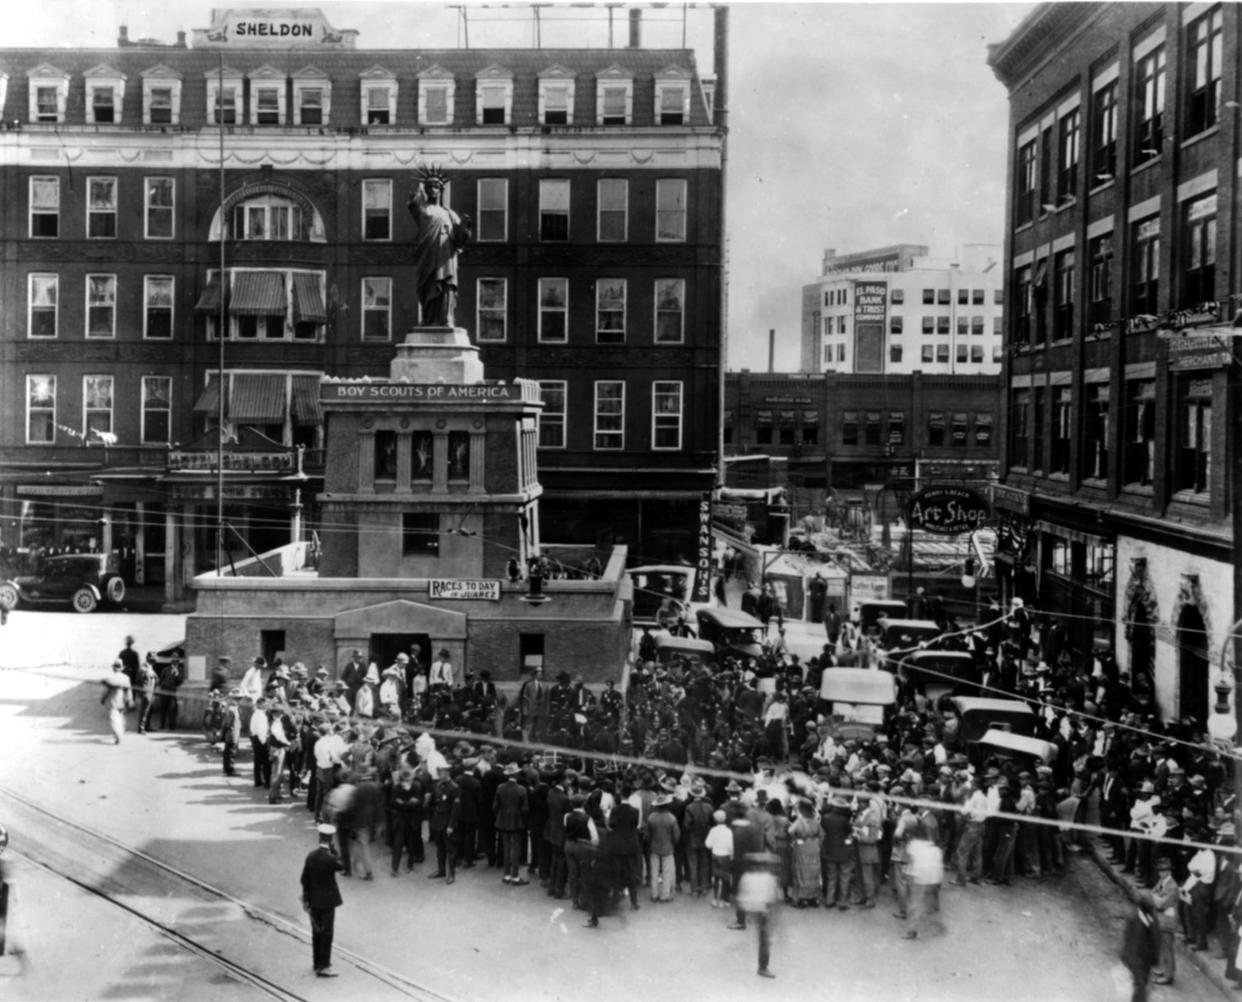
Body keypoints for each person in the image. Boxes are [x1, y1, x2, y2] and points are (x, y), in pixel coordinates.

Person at [406, 165, 472, 326]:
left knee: (446, 284)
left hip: (446, 256)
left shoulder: (449, 213)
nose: (432, 190)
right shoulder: (423, 210)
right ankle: (428, 319)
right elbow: (413, 208)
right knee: (428, 286)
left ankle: (446, 318)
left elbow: (459, 239)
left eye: (436, 186)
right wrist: (414, 198)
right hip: (427, 256)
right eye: (429, 187)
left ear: (441, 189)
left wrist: (465, 228)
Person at [301, 823, 345, 978]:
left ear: (319, 837)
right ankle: (324, 966)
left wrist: (306, 898)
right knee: (327, 933)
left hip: (313, 901)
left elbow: (304, 879)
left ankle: (316, 963)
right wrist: (335, 852)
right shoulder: (330, 858)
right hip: (327, 901)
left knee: (316, 931)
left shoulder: (311, 856)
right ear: (330, 839)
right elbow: (342, 866)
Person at [733, 849, 780, 978]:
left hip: (751, 906)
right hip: (763, 910)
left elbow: (741, 897)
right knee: (764, 938)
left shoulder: (746, 876)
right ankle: (763, 967)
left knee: (763, 936)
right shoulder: (768, 878)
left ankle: (762, 966)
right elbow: (772, 898)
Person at [1119, 890, 1161, 1002]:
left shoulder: (1152, 920)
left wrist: (1154, 959)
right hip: (1135, 960)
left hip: (1145, 960)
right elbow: (1127, 938)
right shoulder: (1133, 918)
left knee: (1142, 986)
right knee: (1140, 987)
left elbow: (1156, 942)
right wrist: (1125, 955)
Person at [100, 659, 133, 745]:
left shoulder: (111, 678)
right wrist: (129, 700)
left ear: (113, 668)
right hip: (122, 703)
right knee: (120, 719)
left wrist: (102, 699)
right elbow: (128, 691)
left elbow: (106, 691)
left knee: (114, 721)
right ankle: (117, 736)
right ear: (122, 668)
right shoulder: (126, 678)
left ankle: (118, 736)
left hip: (113, 703)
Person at [135, 654, 158, 734]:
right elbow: (138, 681)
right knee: (144, 711)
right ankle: (141, 728)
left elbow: (155, 679)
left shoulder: (150, 667)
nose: (155, 659)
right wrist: (141, 692)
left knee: (149, 711)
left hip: (151, 692)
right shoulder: (143, 668)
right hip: (145, 693)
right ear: (148, 658)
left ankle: (147, 726)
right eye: (153, 658)